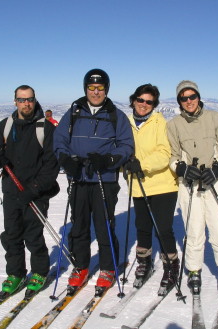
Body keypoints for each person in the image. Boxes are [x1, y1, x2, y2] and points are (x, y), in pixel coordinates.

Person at [53, 68, 134, 293]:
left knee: (103, 224)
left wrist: (109, 159)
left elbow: (127, 146)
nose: (96, 92)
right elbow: (59, 140)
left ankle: (108, 267)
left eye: (100, 88)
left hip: (104, 178)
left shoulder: (116, 114)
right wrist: (66, 160)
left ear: (106, 89)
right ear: (85, 88)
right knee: (78, 225)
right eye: (91, 87)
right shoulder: (74, 111)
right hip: (78, 176)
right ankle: (81, 266)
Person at [0, 85, 60, 299]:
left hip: (36, 192)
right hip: (11, 191)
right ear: (15, 101)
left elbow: (51, 166)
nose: (26, 103)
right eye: (22, 99)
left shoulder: (45, 128)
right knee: (12, 235)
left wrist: (34, 188)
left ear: (35, 100)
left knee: (33, 235)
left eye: (30, 99)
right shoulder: (5, 125)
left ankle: (39, 271)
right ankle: (16, 273)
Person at [167, 80, 218, 298]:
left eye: (192, 96)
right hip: (189, 185)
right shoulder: (174, 124)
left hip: (214, 181)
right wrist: (181, 169)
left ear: (198, 96)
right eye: (184, 98)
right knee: (194, 230)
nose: (189, 101)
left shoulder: (216, 118)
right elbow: (172, 155)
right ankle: (193, 269)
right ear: (179, 101)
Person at [123, 84, 180, 295]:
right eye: (141, 100)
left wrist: (142, 164)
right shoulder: (125, 123)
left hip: (162, 184)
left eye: (149, 102)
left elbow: (165, 153)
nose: (144, 105)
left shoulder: (159, 123)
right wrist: (123, 163)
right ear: (134, 100)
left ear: (154, 105)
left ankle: (171, 267)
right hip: (137, 184)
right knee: (143, 227)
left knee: (163, 228)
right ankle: (144, 263)